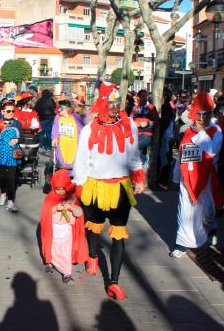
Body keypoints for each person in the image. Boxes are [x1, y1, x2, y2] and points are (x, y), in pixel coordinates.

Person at [73, 81, 145, 300]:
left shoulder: (128, 125)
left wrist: (139, 177)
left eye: (117, 102)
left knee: (119, 236)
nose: (114, 107)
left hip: (121, 188)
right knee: (93, 229)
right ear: (101, 104)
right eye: (110, 102)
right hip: (95, 187)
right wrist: (80, 185)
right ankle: (93, 256)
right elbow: (81, 160)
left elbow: (133, 155)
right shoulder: (88, 130)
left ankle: (114, 282)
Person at [170, 92, 224, 258]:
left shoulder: (216, 130)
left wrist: (201, 133)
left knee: (206, 211)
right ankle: (181, 244)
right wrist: (176, 175)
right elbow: (182, 154)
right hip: (187, 178)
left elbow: (212, 151)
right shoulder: (189, 131)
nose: (201, 118)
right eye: (199, 114)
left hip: (206, 179)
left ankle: (210, 231)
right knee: (184, 211)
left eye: (205, 114)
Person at [39, 169, 88, 283]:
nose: (60, 191)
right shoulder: (50, 197)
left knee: (65, 250)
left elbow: (79, 213)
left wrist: (72, 208)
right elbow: (45, 214)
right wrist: (55, 208)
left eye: (63, 189)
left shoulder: (72, 197)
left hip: (66, 230)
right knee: (53, 248)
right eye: (58, 189)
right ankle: (50, 262)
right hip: (53, 230)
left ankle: (67, 272)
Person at [0, 101, 25, 212]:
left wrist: (17, 140)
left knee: (11, 177)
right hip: (0, 152)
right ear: (2, 112)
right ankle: (3, 193)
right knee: (3, 177)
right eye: (8, 111)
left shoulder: (17, 123)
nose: (11, 113)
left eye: (13, 111)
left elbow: (22, 138)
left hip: (13, 154)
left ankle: (11, 201)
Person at [51, 100, 84, 174]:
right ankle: (62, 175)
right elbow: (55, 129)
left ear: (67, 109)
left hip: (74, 144)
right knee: (62, 161)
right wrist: (54, 138)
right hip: (62, 145)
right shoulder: (57, 117)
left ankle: (73, 175)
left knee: (74, 160)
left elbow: (82, 129)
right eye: (59, 108)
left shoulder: (76, 117)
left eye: (61, 108)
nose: (59, 110)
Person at [130, 89, 158, 170]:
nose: (145, 98)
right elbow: (130, 119)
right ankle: (142, 164)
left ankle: (143, 161)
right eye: (143, 96)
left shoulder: (151, 108)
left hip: (146, 134)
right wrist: (133, 123)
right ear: (138, 97)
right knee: (138, 151)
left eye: (146, 96)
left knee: (135, 146)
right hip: (135, 133)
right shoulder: (135, 108)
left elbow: (156, 122)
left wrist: (147, 123)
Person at [35, 89, 56, 153]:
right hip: (51, 118)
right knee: (49, 134)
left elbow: (36, 109)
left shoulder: (39, 100)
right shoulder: (51, 100)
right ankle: (48, 147)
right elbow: (54, 107)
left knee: (41, 134)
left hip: (42, 119)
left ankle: (40, 146)